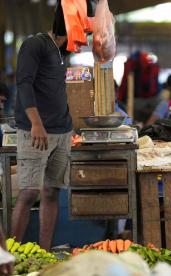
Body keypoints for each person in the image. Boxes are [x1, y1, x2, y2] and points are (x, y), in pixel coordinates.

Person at [12, 2, 73, 250]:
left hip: (62, 131)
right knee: (28, 193)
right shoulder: (34, 44)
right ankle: (10, 255)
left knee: (51, 192)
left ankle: (44, 251)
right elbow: (24, 84)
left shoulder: (63, 52)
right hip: (34, 131)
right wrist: (36, 123)